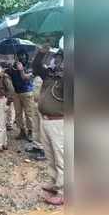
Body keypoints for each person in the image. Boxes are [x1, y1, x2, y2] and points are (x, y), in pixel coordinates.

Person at [31, 47, 64, 205]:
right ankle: (54, 182)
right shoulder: (50, 75)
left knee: (61, 157)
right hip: (46, 121)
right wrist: (42, 53)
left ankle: (64, 192)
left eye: (60, 58)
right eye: (56, 57)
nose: (56, 60)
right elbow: (36, 67)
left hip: (60, 122)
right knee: (51, 156)